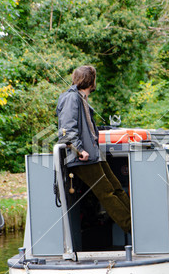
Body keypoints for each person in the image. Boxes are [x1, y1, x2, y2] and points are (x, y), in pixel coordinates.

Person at [56, 65, 131, 233]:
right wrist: (79, 150)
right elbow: (67, 130)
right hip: (82, 157)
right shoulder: (72, 98)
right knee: (107, 193)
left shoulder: (81, 99)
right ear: (91, 80)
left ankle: (136, 221)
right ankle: (133, 228)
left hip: (93, 155)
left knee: (116, 187)